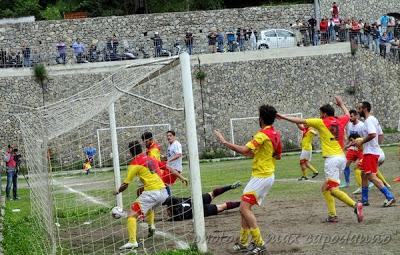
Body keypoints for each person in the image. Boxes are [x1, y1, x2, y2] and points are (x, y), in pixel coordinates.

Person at [278, 96, 363, 223]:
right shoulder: (340, 120)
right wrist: (341, 104)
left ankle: (355, 205)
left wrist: (283, 117)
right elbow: (346, 113)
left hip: (332, 160)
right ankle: (332, 215)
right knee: (325, 188)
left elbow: (300, 120)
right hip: (341, 158)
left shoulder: (321, 122)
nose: (320, 115)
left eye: (320, 113)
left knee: (333, 189)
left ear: (324, 114)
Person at [214, 104, 282, 254]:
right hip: (265, 175)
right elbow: (277, 155)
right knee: (245, 209)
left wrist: (224, 142)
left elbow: (245, 150)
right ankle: (244, 242)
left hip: (261, 177)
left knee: (243, 208)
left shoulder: (262, 135)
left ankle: (259, 243)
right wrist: (260, 155)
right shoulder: (275, 134)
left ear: (260, 119)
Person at [112, 141, 187, 250]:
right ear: (141, 149)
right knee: (149, 206)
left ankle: (132, 241)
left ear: (130, 152)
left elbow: (125, 184)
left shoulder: (134, 164)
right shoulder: (150, 158)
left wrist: (117, 191)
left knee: (131, 214)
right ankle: (151, 225)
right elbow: (167, 167)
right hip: (163, 191)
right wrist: (181, 177)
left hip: (152, 192)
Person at [355, 101, 395, 207]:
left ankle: (390, 197)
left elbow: (372, 134)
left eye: (359, 109)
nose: (358, 111)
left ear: (365, 109)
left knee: (371, 176)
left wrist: (362, 141)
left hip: (370, 153)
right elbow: (381, 134)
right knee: (363, 174)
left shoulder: (368, 121)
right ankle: (364, 199)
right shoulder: (374, 119)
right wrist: (377, 146)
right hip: (372, 151)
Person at [163, 181, 242, 221]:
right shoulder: (177, 201)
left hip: (200, 210)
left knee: (222, 206)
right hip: (194, 200)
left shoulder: (178, 216)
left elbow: (172, 218)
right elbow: (171, 199)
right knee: (213, 193)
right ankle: (230, 187)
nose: (167, 213)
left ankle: (242, 203)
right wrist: (163, 202)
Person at [342, 110, 365, 188]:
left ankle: (368, 181)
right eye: (349, 116)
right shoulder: (349, 125)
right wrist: (346, 145)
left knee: (361, 166)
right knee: (345, 165)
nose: (350, 118)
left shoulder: (362, 125)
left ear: (356, 116)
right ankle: (347, 183)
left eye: (351, 116)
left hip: (361, 149)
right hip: (352, 148)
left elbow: (365, 138)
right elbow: (350, 137)